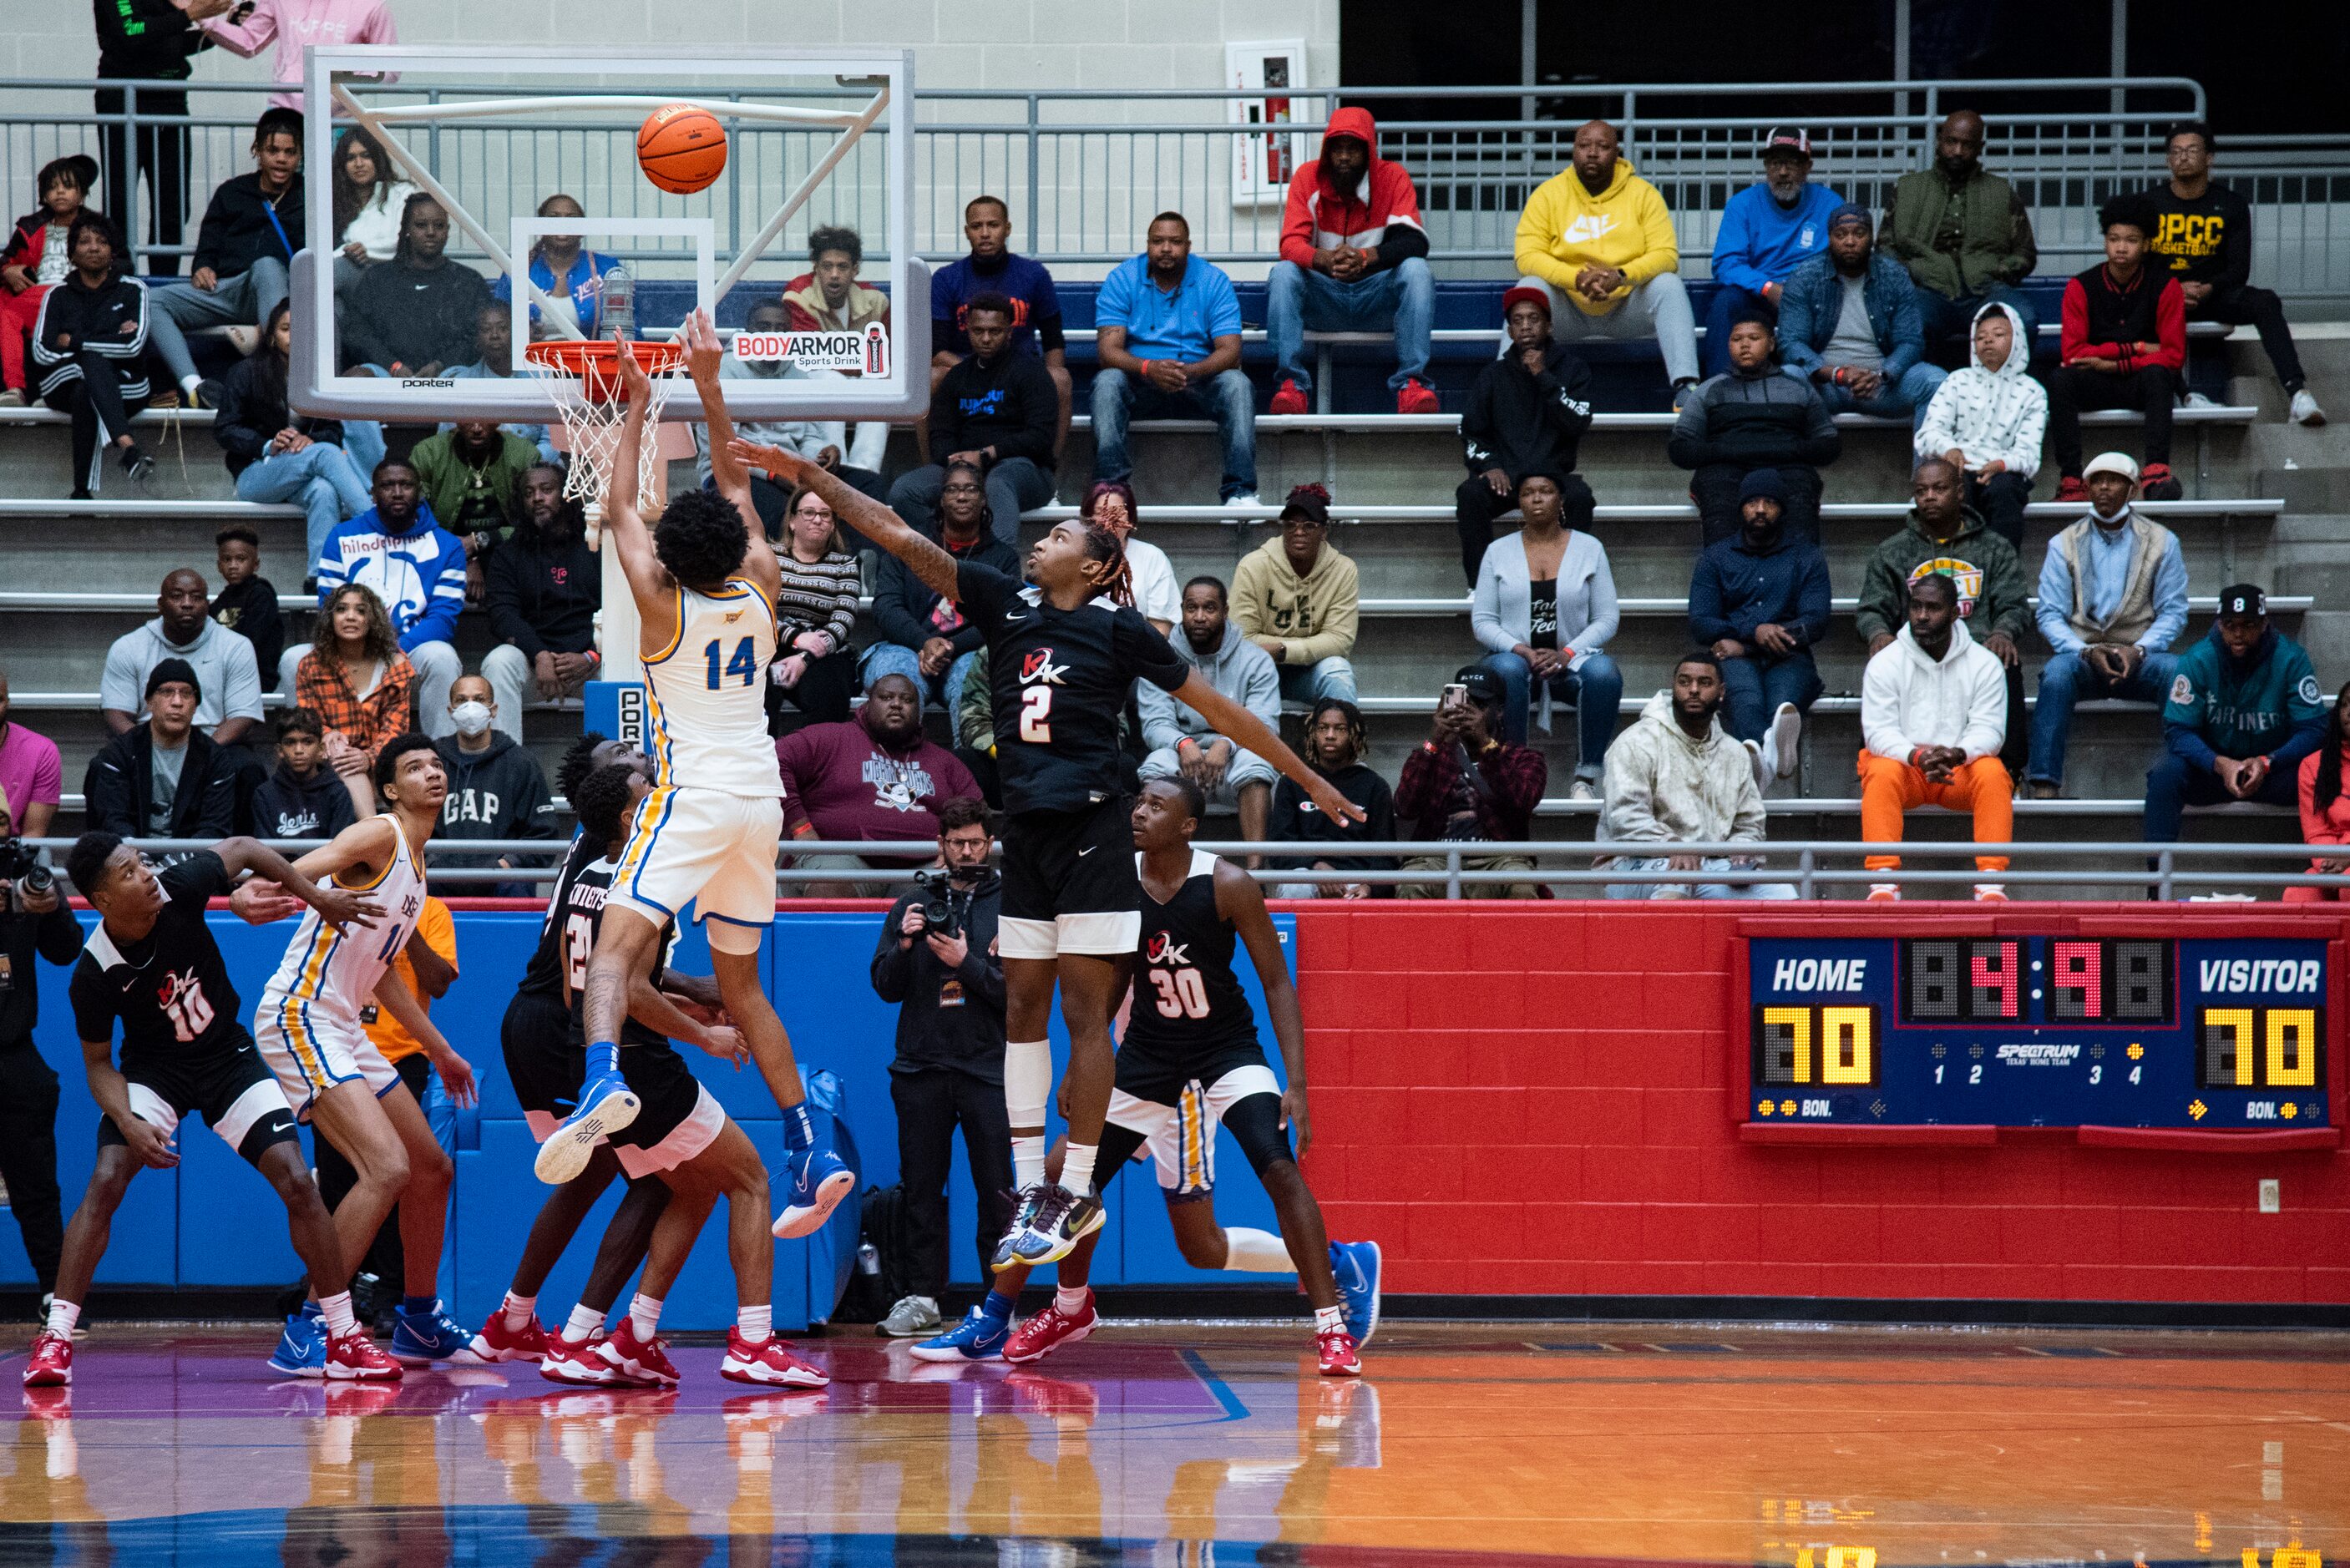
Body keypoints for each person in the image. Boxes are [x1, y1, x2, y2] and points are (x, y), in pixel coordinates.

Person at [744, 424, 1357, 1282]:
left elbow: (1225, 714)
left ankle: (1070, 1189)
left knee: (1081, 1008)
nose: (1044, 539)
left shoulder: (1121, 630)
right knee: (1022, 1010)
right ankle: (1035, 1193)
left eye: (1064, 536)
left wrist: (1306, 779)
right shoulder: (1002, 600)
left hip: (1094, 829)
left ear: (1100, 566)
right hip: (1022, 830)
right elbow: (894, 533)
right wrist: (809, 476)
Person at [546, 318, 851, 1249]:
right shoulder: (761, 583)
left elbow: (623, 507)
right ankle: (809, 1140)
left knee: (611, 954)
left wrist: (639, 403)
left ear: (674, 558)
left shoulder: (659, 604)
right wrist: (711, 389)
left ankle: (603, 1078)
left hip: (690, 799)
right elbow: (732, 485)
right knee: (746, 990)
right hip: (761, 801)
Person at [983, 778, 1365, 1374]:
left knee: (1278, 1166)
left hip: (1226, 1048)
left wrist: (1298, 1084)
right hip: (1148, 1053)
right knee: (1062, 1176)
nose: (1138, 811)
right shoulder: (1118, 880)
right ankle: (1068, 1307)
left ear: (1188, 826)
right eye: (1136, 802)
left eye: (1156, 806)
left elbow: (1277, 983)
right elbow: (1111, 982)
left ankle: (1331, 1324)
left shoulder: (1228, 884)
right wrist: (1085, 1071)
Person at [25, 829, 398, 1388]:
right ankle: (55, 1339)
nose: (147, 874)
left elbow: (245, 847)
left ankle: (341, 1335)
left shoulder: (181, 886)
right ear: (102, 900)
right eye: (129, 873)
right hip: (156, 1073)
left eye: (143, 862)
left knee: (298, 1179)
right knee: (105, 1178)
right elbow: (99, 1066)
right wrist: (128, 1121)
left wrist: (315, 895)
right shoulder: (94, 972)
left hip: (228, 1059)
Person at [519, 761, 828, 1389]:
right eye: (647, 801)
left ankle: (625, 1335)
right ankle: (754, 1340)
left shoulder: (587, 873)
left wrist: (679, 998)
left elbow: (602, 981)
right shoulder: (645, 885)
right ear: (631, 821)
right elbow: (631, 988)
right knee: (749, 1180)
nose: (660, 808)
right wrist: (704, 1033)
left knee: (690, 1188)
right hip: (638, 1055)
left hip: (591, 1042)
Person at [251, 735, 477, 1373]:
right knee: (386, 1168)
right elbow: (314, 860)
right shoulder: (380, 835)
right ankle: (312, 1326)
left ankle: (419, 1319)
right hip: (301, 1012)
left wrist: (443, 1051)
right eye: (413, 767)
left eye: (436, 764)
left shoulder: (418, 864)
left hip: (343, 1019)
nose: (431, 772)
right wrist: (269, 890)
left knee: (430, 1168)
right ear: (389, 789)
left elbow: (380, 972)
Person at [457, 742, 671, 1371]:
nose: (636, 758)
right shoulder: (618, 856)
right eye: (622, 756)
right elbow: (602, 972)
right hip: (563, 1023)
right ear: (604, 788)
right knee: (658, 1181)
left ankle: (512, 1321)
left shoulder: (592, 843)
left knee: (589, 1176)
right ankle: (586, 1334)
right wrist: (696, 1010)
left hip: (536, 1020)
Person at [868, 797, 1010, 1339]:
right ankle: (923, 1298)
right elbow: (883, 987)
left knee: (998, 1192)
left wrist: (965, 964)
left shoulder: (1012, 902)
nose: (968, 851)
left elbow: (1018, 994)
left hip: (987, 1069)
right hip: (920, 1068)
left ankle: (997, 1304)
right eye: (958, 844)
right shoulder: (914, 900)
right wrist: (905, 944)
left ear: (989, 843)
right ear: (941, 846)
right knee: (921, 1192)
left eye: (976, 842)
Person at [310, 888, 455, 1319]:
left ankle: (395, 1297)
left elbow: (440, 982)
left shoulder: (432, 911)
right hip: (336, 1052)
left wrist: (406, 929)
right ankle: (336, 1304)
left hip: (401, 1060)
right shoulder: (344, 904)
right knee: (337, 1183)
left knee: (405, 1175)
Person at [2025, 452, 2189, 800]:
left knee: (2176, 671)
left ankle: (2184, 772)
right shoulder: (2063, 543)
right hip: (2084, 656)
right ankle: (2043, 784)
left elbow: (2174, 612)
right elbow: (2050, 614)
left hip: (2141, 654)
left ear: (2131, 490)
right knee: (2055, 674)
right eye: (2096, 481)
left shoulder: (2163, 541)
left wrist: (2140, 649)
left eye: (2113, 480)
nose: (2103, 488)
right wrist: (2084, 651)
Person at [1855, 458, 2029, 771]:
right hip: (1915, 648)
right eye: (1921, 491)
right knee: (1881, 664)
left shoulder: (1994, 548)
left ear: (1960, 492)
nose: (1930, 497)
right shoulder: (1893, 551)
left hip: (1977, 649)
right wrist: (1878, 633)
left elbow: (2014, 603)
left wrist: (2002, 632)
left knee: (2005, 661)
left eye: (1939, 488)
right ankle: (1881, 767)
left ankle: (2008, 771)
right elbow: (1871, 607)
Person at [2148, 122, 2324, 427]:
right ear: (2167, 160)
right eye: (2175, 152)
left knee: (2265, 301)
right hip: (2164, 298)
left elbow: (2238, 269)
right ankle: (2187, 396)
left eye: (2191, 150)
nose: (2183, 157)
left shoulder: (2231, 204)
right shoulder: (2150, 205)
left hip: (2213, 295)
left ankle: (2298, 394)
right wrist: (2172, 289)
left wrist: (2207, 289)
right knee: (2133, 307)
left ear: (2209, 157)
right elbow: (2141, 266)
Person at [1512, 119, 1699, 401]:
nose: (1592, 152)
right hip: (1567, 309)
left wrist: (1622, 275)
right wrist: (1576, 278)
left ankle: (1687, 386)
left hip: (1627, 306)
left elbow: (1666, 256)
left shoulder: (1643, 194)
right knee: (1528, 288)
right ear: (1573, 150)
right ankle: (1510, 388)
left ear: (1618, 153)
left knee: (1668, 284)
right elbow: (1527, 255)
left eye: (1603, 146)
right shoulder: (1548, 194)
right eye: (1583, 145)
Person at [1266, 107, 1436, 416]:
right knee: (1283, 273)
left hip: (1376, 300)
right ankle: (1291, 386)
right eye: (1337, 148)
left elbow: (1415, 242)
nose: (1344, 157)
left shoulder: (1392, 177)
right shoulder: (1308, 177)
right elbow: (1290, 244)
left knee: (1416, 270)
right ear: (1327, 151)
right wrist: (1323, 259)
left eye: (1353, 148)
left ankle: (1412, 385)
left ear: (1369, 150)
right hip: (1325, 300)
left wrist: (1365, 257)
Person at [1858, 573, 2012, 903]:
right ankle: (1884, 882)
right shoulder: (1886, 662)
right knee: (1880, 770)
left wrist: (1958, 754)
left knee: (1994, 774)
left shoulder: (1985, 664)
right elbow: (1878, 732)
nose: (1922, 616)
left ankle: (1991, 884)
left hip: (1959, 768)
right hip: (1908, 768)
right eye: (1916, 607)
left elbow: (1990, 731)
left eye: (1933, 608)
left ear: (1956, 613)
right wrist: (1916, 756)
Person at [1091, 213, 1258, 509]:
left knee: (1237, 384)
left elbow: (1230, 351)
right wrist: (1148, 368)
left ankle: (1240, 493)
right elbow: (1108, 352)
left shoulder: (1213, 281)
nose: (1166, 248)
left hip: (1198, 380)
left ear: (1188, 246)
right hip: (1141, 382)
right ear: (1148, 244)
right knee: (1106, 382)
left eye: (1175, 242)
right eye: (1158, 241)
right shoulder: (1122, 279)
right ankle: (1111, 492)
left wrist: (1190, 372)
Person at [288, 458, 467, 731]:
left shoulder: (447, 545)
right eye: (387, 486)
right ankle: (311, 760)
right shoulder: (341, 537)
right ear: (373, 493)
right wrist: (363, 650)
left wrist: (393, 652)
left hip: (411, 648)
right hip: (351, 647)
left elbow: (442, 619)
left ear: (419, 491)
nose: (397, 492)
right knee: (293, 659)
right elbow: (331, 608)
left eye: (406, 485)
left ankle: (438, 761)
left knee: (441, 656)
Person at [1470, 471, 1620, 793]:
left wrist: (1567, 653)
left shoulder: (1589, 548)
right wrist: (1521, 649)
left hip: (1572, 661)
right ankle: (1512, 770)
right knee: (1508, 668)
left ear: (1561, 500)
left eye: (1546, 491)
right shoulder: (1498, 551)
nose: (1536, 499)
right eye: (1527, 493)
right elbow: (1482, 622)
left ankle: (1586, 778)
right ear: (1519, 503)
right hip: (1516, 661)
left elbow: (1607, 618)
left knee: (1605, 673)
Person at [2145, 584, 2326, 850]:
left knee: (2325, 772)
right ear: (2219, 624)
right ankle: (2156, 884)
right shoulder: (2197, 660)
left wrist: (2268, 762)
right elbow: (2178, 731)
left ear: (2264, 623)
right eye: (2230, 624)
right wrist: (2220, 764)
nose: (2238, 634)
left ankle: (2333, 873)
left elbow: (2313, 728)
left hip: (2273, 769)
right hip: (2215, 770)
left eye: (2248, 624)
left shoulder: (2290, 659)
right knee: (2165, 775)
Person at [1603, 651, 1794, 900]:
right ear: (1673, 688)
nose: (1693, 690)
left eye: (1704, 683)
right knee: (1679, 879)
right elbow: (1625, 817)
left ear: (1722, 691)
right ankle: (1666, 940)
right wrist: (1672, 846)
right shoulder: (1635, 742)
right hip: (1634, 864)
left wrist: (1741, 851)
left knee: (1781, 893)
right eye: (1684, 682)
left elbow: (1749, 823)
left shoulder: (1734, 752)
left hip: (1710, 865)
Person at [149, 108, 303, 409]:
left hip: (282, 295)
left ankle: (280, 384)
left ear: (300, 155)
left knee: (268, 266)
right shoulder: (232, 191)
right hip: (230, 289)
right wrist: (203, 266)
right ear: (257, 149)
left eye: (290, 152)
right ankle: (196, 388)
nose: (281, 159)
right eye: (273, 150)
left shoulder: (309, 195)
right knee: (154, 300)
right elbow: (208, 244)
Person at [778, 672, 982, 897]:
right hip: (841, 858)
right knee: (829, 881)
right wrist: (800, 827)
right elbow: (774, 760)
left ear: (920, 710)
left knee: (975, 879)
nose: (896, 704)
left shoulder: (944, 762)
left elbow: (974, 811)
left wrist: (958, 849)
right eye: (886, 698)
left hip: (925, 864)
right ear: (867, 703)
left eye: (907, 700)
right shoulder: (829, 738)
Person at [690, 297, 884, 534]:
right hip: (736, 475)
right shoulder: (723, 372)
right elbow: (723, 451)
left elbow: (807, 434)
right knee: (788, 509)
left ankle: (858, 564)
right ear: (747, 331)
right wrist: (773, 473)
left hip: (792, 469)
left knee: (868, 488)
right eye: (764, 327)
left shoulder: (797, 371)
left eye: (781, 329)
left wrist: (822, 454)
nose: (772, 334)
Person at [1687, 470, 1829, 781]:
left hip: (1789, 655)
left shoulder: (1807, 557)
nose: (1761, 509)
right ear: (1741, 508)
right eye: (1753, 502)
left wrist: (1748, 639)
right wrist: (1755, 632)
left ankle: (1766, 759)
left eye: (1769, 503)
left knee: (1783, 708)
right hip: (1735, 659)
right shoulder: (1716, 558)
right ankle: (1766, 759)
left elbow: (1816, 621)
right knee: (1747, 705)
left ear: (1782, 509)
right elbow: (1701, 621)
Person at [214, 301, 372, 565]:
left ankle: (319, 579)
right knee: (325, 453)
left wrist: (310, 439)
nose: (294, 336)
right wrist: (267, 445)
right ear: (273, 338)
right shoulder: (246, 372)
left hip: (301, 471)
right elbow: (225, 429)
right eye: (286, 329)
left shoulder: (319, 377)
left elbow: (333, 430)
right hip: (256, 472)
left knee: (323, 491)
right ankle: (374, 525)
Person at [892, 293, 1057, 546]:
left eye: (995, 331)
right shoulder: (957, 377)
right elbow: (940, 434)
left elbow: (1040, 437)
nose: (987, 339)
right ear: (968, 330)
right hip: (965, 469)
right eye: (978, 331)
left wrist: (987, 454)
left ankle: (998, 573)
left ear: (1009, 332)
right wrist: (956, 463)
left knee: (998, 483)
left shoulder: (1030, 372)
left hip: (1025, 471)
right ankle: (938, 558)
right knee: (905, 491)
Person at [1456, 286, 1594, 586]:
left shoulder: (1573, 370)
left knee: (1581, 498)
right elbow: (1470, 431)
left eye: (1534, 319)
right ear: (1510, 330)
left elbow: (1579, 421)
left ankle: (1574, 582)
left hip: (1553, 478)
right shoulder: (1493, 375)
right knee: (1470, 495)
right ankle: (1480, 587)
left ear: (1549, 325)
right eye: (1518, 321)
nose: (1526, 326)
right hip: (1506, 478)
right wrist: (1489, 464)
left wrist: (1543, 377)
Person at [2052, 195, 2186, 503]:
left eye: (2131, 240)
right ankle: (2071, 480)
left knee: (2159, 374)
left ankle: (2155, 471)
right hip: (2094, 381)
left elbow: (2174, 355)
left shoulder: (2166, 286)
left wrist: (2112, 361)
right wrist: (2139, 348)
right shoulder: (2080, 286)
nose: (2121, 247)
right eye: (2114, 239)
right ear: (2105, 242)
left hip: (2139, 382)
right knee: (2060, 379)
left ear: (2146, 244)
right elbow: (2074, 353)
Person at [862, 458, 1018, 721]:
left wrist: (949, 647)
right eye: (952, 489)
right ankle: (895, 763)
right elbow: (886, 607)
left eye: (971, 489)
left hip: (968, 652)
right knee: (895, 683)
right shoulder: (908, 547)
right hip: (904, 647)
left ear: (983, 500)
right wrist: (924, 643)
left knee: (974, 685)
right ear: (941, 499)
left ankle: (972, 763)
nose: (961, 496)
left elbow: (1001, 617)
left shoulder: (1003, 558)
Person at [1878, 110, 2040, 361]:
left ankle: (2003, 396)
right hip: (1927, 289)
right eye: (1951, 141)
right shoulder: (1909, 188)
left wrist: (1999, 270)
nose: (1957, 151)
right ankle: (1927, 394)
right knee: (1911, 326)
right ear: (1939, 141)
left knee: (2024, 319)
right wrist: (1911, 275)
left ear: (1980, 147)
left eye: (1967, 144)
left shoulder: (2000, 191)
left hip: (1986, 289)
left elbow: (2025, 252)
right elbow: (1885, 247)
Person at [1668, 312, 1841, 545]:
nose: (1745, 345)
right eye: (1737, 339)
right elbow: (1680, 449)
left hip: (1787, 467)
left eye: (1754, 338)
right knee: (1721, 525)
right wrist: (1724, 450)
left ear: (1771, 344)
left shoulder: (1798, 388)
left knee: (1800, 523)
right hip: (1725, 469)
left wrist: (1790, 449)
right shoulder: (1709, 390)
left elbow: (1829, 444)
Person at [1138, 577, 1284, 851]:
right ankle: (1159, 864)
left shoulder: (1255, 660)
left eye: (1209, 608)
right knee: (1157, 763)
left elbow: (1265, 723)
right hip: (1184, 759)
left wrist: (1227, 742)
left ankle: (1257, 872)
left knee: (1257, 762)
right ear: (1181, 610)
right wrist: (1183, 743)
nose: (1199, 617)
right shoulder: (1161, 658)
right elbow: (1155, 723)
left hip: (1234, 760)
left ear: (1225, 612)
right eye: (1191, 608)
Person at [0, 810, 79, 1310]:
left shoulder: (22, 871)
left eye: (3, 820)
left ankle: (56, 1293)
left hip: (13, 1053)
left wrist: (49, 908)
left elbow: (67, 950)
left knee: (36, 1187)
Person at [1775, 204, 1947, 431]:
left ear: (1872, 238)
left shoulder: (1894, 276)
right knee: (1788, 376)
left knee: (1936, 381)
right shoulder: (1805, 277)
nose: (1850, 241)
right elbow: (1791, 344)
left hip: (1882, 386)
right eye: (1841, 234)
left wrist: (1882, 375)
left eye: (1859, 234)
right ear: (1829, 239)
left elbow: (1910, 342)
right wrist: (1838, 374)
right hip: (1826, 386)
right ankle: (1791, 466)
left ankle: (1928, 468)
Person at [95, 0, 228, 279]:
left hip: (171, 100)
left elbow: (174, 45)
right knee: (120, 201)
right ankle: (120, 283)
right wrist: (191, 14)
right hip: (124, 101)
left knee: (174, 206)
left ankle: (162, 284)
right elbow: (131, 32)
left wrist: (228, 26)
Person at [28, 213, 154, 497]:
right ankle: (128, 446)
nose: (94, 247)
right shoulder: (57, 295)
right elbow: (42, 351)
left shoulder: (134, 289)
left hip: (128, 385)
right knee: (92, 364)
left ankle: (81, 492)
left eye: (102, 242)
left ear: (113, 251)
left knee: (87, 387)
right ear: (72, 253)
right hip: (61, 383)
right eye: (84, 242)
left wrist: (74, 342)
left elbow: (133, 347)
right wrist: (109, 340)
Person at [929, 195, 1071, 448]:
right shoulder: (945, 278)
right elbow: (936, 351)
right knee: (932, 378)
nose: (985, 233)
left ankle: (1050, 476)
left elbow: (1053, 341)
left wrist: (1042, 383)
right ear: (967, 232)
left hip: (1021, 373)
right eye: (977, 226)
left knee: (1060, 379)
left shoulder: (1034, 274)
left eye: (993, 225)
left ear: (1007, 229)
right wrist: (978, 372)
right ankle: (936, 472)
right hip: (964, 372)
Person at [1394, 665, 1546, 899]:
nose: (1468, 713)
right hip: (1437, 855)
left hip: (1500, 857)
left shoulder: (1524, 758)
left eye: (1479, 706)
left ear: (1499, 711)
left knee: (1521, 884)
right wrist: (1434, 741)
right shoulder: (1432, 754)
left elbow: (1522, 803)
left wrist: (1486, 744)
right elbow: (1405, 807)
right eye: (1462, 704)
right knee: (1412, 883)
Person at [1704, 129, 1843, 379]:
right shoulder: (1742, 204)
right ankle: (1718, 386)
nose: (1783, 172)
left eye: (1792, 163)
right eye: (1776, 163)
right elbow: (1726, 264)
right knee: (1727, 300)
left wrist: (1798, 289)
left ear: (1808, 167)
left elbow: (1839, 261)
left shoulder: (1830, 204)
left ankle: (1824, 384)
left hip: (1811, 297)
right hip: (1759, 297)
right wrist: (1768, 288)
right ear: (1766, 166)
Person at [1912, 301, 2044, 550]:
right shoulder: (1957, 380)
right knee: (1953, 488)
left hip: (2004, 472)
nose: (1988, 342)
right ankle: (1954, 568)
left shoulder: (2032, 391)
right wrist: (1949, 449)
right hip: (1960, 466)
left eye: (1998, 335)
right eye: (1980, 337)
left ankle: (2002, 574)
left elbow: (2029, 453)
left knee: (2003, 490)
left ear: (2017, 339)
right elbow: (1929, 432)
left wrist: (2003, 464)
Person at [484, 463, 600, 731]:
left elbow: (619, 609)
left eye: (546, 490)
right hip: (534, 666)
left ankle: (619, 767)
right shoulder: (509, 553)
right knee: (499, 661)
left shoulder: (596, 544)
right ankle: (507, 766)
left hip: (591, 663)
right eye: (528, 492)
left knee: (626, 669)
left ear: (565, 494)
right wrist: (539, 655)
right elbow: (502, 614)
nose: (537, 498)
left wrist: (591, 656)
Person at [100, 569, 264, 751]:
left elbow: (243, 716)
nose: (187, 604)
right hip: (146, 744)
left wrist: (201, 753)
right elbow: (116, 715)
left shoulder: (236, 646)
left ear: (207, 605)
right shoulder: (128, 647)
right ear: (161, 604)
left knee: (248, 769)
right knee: (103, 765)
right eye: (177, 596)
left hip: (212, 745)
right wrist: (152, 750)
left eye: (196, 597)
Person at [340, 195, 493, 391]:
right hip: (386, 374)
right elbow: (356, 331)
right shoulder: (377, 278)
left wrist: (440, 365)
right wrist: (392, 365)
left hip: (451, 375)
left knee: (470, 381)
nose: (431, 232)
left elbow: (478, 336)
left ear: (447, 231)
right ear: (407, 230)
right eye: (421, 225)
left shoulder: (470, 282)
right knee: (355, 380)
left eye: (439, 226)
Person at [82, 661, 241, 842]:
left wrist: (178, 865)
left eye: (187, 694)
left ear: (196, 705)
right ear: (149, 702)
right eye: (167, 692)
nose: (177, 702)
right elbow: (113, 821)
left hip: (192, 861)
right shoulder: (120, 752)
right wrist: (141, 860)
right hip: (131, 859)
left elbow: (214, 828)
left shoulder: (215, 758)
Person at [1231, 483, 1360, 706]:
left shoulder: (1343, 569)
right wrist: (1306, 646)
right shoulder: (1253, 566)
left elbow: (1339, 641)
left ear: (1323, 530)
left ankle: (1344, 741)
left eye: (1309, 525)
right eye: (1291, 525)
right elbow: (1243, 640)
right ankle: (1243, 743)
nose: (1298, 532)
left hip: (1310, 670)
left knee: (1338, 671)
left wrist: (1283, 650)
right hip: (1257, 669)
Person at [295, 585, 419, 813]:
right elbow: (308, 721)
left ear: (373, 620)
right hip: (330, 760)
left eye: (361, 611)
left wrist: (368, 757)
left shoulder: (397, 665)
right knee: (341, 752)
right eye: (341, 609)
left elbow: (396, 730)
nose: (350, 616)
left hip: (383, 761)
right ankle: (369, 833)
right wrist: (326, 733)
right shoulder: (310, 665)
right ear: (330, 618)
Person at [432, 674, 555, 898]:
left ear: (493, 709)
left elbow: (543, 831)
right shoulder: (432, 761)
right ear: (451, 711)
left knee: (516, 884)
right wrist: (434, 864)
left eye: (479, 699)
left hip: (501, 875)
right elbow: (412, 825)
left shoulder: (520, 762)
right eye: (462, 700)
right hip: (442, 875)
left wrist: (506, 865)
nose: (471, 707)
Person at [1268, 698, 1398, 899]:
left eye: (1340, 729)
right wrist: (1316, 866)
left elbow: (1386, 856)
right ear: (1313, 733)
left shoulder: (1375, 786)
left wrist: (1369, 886)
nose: (1330, 736)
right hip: (1308, 873)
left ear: (1354, 735)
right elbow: (1280, 847)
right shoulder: (1292, 782)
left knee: (1364, 899)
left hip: (1356, 878)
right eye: (1322, 728)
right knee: (1296, 887)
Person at [763, 482, 863, 731]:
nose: (817, 520)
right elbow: (758, 609)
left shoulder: (845, 565)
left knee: (830, 695)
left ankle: (810, 763)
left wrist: (805, 658)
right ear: (792, 521)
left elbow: (843, 622)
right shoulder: (770, 556)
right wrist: (796, 638)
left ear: (832, 525)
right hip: (770, 643)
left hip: (823, 651)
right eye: (809, 512)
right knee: (758, 691)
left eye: (825, 514)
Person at [2, 156, 101, 403]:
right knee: (7, 315)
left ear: (81, 195)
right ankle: (15, 389)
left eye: (67, 187)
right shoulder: (31, 226)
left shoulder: (97, 227)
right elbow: (6, 261)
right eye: (52, 187)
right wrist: (7, 271)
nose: (59, 192)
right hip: (38, 294)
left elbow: (122, 262)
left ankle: (56, 393)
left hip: (80, 292)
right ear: (44, 195)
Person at [197, 0, 399, 110]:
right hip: (284, 112)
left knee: (335, 187)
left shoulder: (372, 6)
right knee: (280, 187)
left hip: (339, 118)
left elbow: (389, 69)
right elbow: (249, 42)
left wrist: (342, 89)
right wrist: (203, 16)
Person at [409, 419, 536, 575]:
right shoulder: (429, 453)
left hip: (509, 551)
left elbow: (534, 522)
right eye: (468, 419)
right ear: (457, 419)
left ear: (497, 420)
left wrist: (478, 542)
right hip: (441, 551)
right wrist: (465, 558)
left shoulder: (523, 454)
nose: (477, 428)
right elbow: (414, 517)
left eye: (485, 419)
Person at [490, 195, 615, 339]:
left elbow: (627, 329)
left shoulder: (606, 269)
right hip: (529, 359)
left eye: (571, 218)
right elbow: (498, 322)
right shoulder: (518, 268)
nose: (562, 224)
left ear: (583, 228)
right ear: (540, 227)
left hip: (590, 359)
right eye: (553, 218)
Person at [444, 301, 555, 463]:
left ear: (516, 333)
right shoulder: (462, 382)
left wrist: (521, 466)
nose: (495, 335)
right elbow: (446, 444)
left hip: (531, 473)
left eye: (503, 328)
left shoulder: (541, 377)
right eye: (486, 329)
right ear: (477, 339)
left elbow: (552, 443)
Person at [327, 127, 417, 308]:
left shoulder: (403, 193)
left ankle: (290, 319)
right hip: (353, 287)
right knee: (334, 307)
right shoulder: (336, 202)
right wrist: (347, 250)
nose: (359, 164)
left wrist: (363, 250)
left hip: (392, 284)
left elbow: (402, 241)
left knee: (339, 269)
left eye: (366, 156)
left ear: (377, 158)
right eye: (351, 158)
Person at [1082, 479, 1178, 633]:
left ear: (1130, 518)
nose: (1108, 520)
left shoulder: (1152, 557)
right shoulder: (1073, 556)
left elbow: (1161, 626)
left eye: (1116, 512)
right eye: (1100, 513)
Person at [250, 707, 358, 841]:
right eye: (290, 743)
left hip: (328, 862)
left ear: (321, 749)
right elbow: (265, 852)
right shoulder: (264, 795)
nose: (299, 750)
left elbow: (341, 850)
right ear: (280, 750)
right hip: (278, 862)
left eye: (308, 742)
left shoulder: (337, 792)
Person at [2287, 685, 2350, 903]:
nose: (2349, 711)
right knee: (2298, 894)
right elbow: (2315, 832)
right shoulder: (2313, 765)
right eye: (2344, 704)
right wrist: (2330, 862)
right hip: (2330, 860)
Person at [782, 225, 890, 333]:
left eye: (842, 267)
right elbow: (809, 348)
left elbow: (891, 347)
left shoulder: (877, 303)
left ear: (855, 270)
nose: (834, 274)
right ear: (816, 267)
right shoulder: (799, 296)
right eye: (827, 266)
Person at [0, 672, 62, 840]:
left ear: (8, 702)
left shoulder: (41, 751)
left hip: (10, 857)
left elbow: (33, 834)